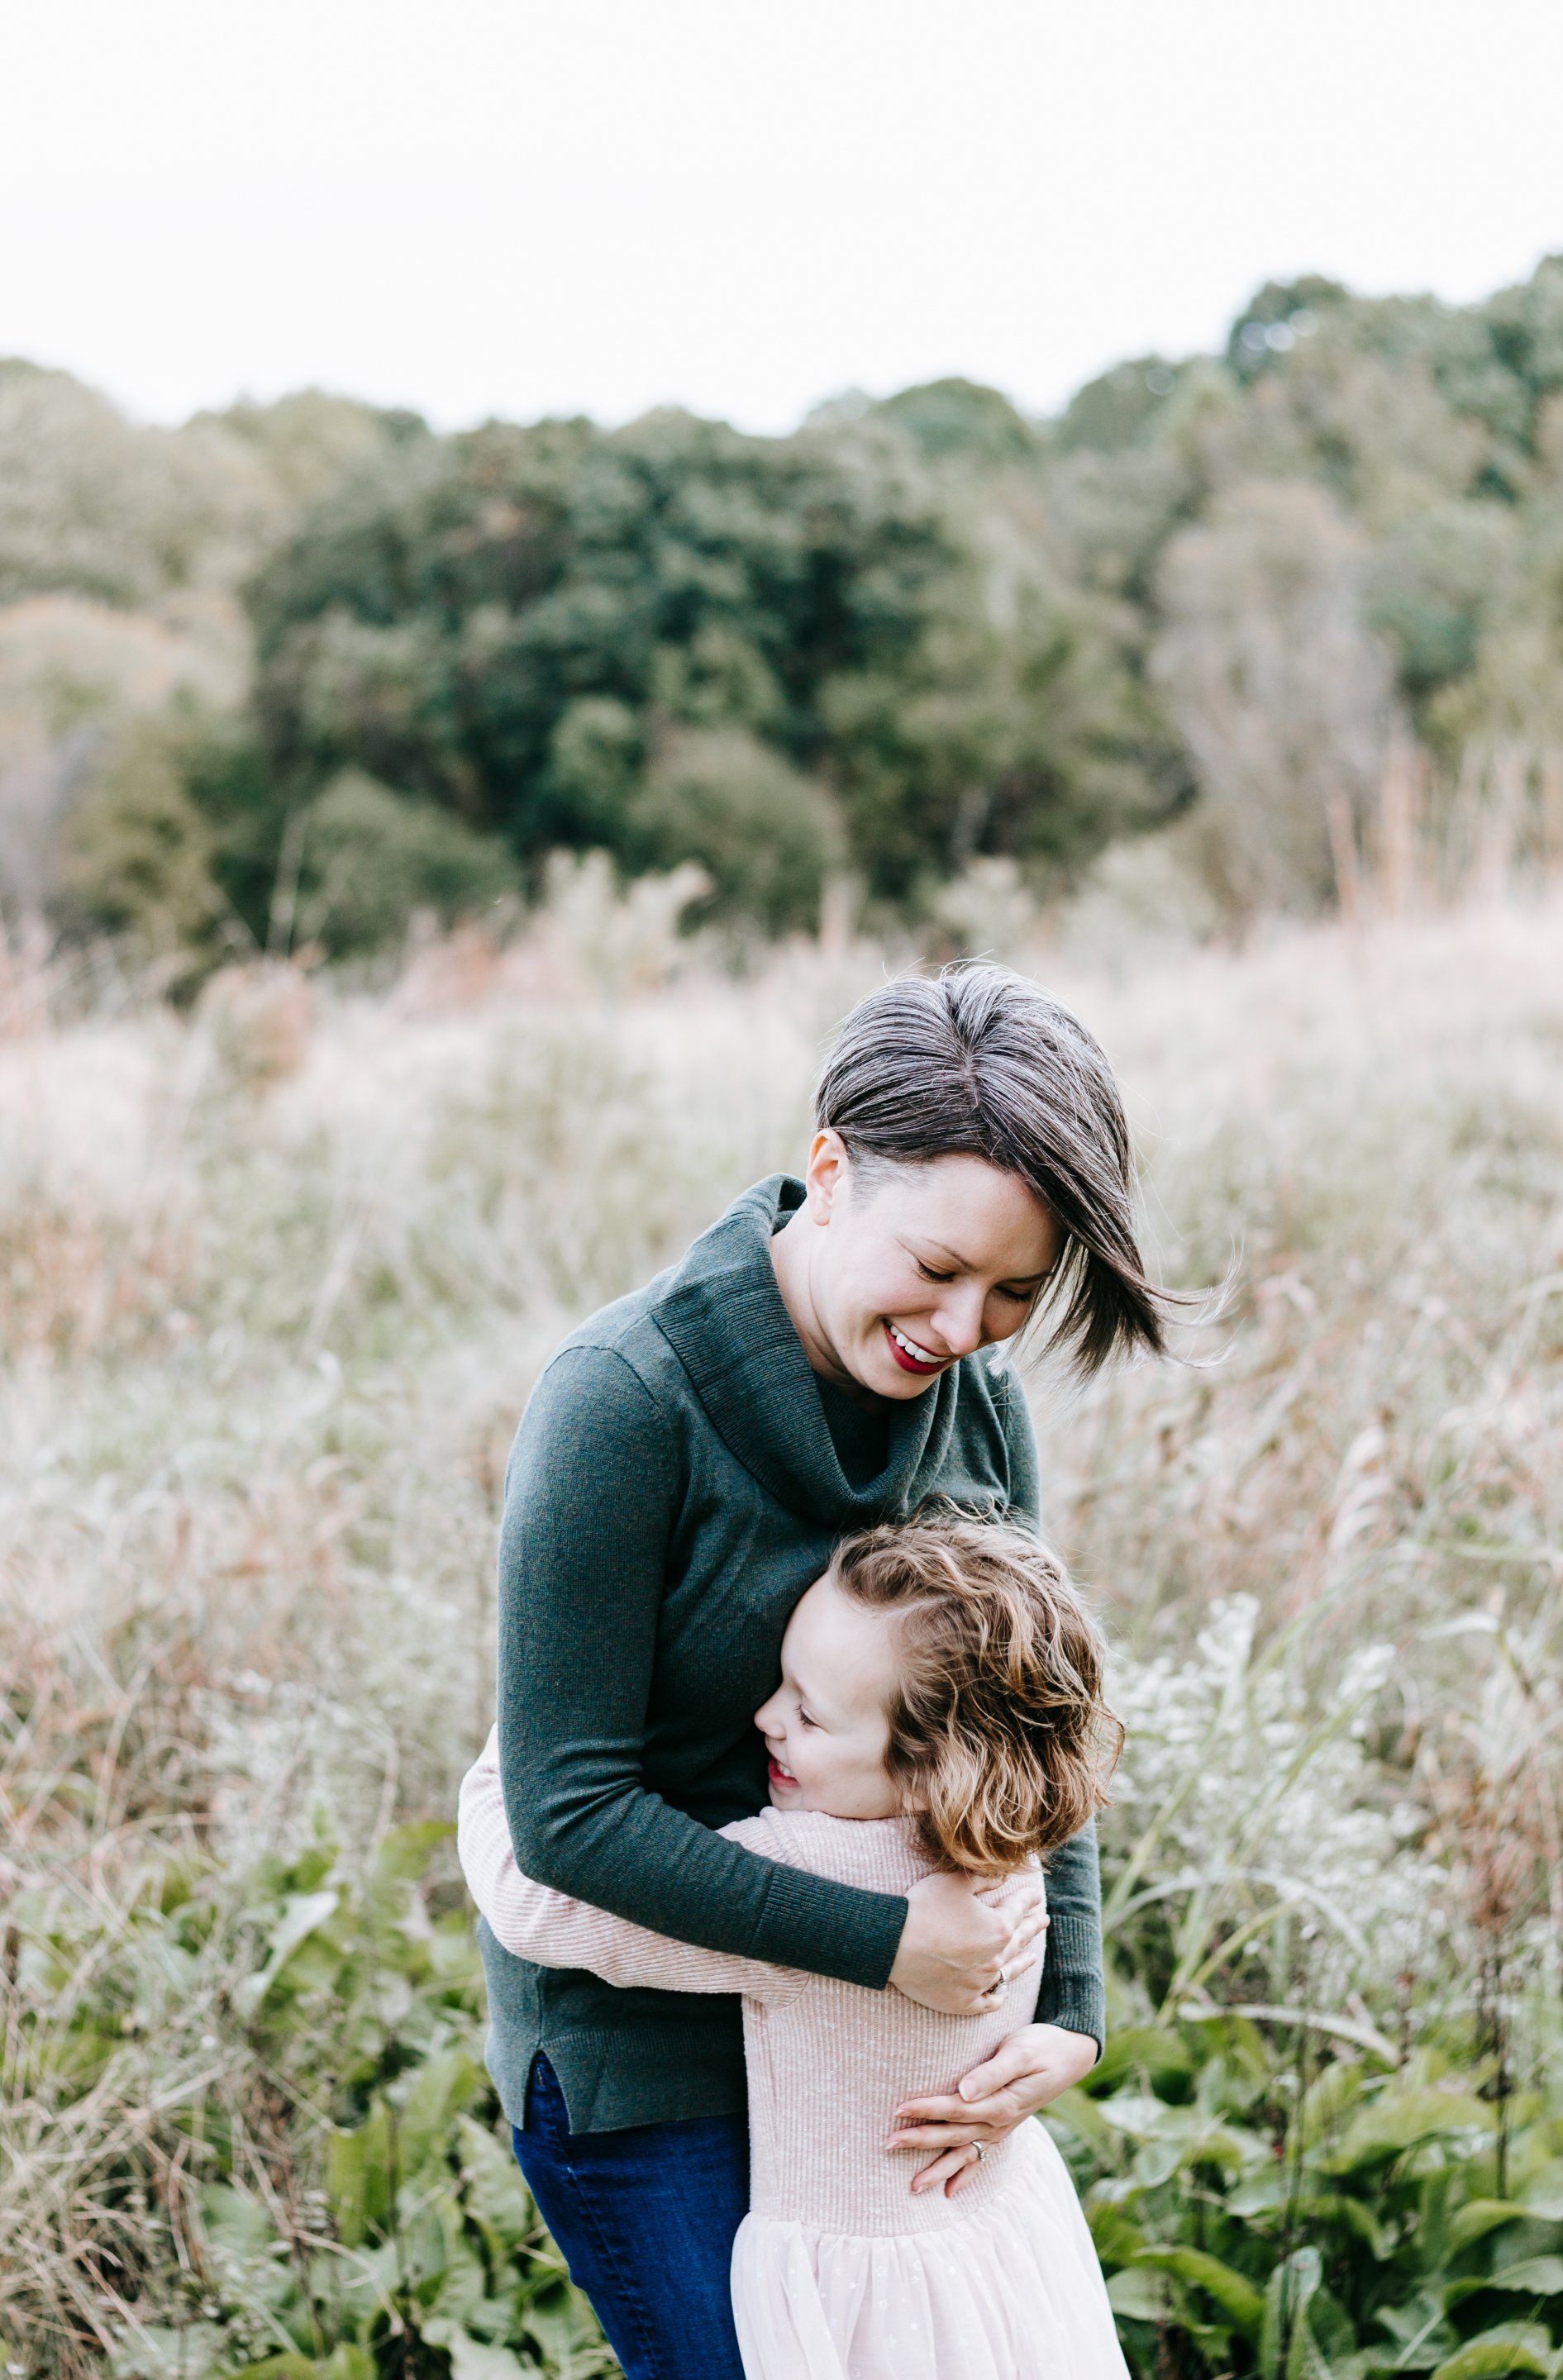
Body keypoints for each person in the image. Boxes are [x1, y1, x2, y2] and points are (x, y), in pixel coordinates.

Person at [479, 964, 1171, 2380]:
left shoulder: (976, 1402)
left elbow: (1031, 1720)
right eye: (937, 1268)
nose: (966, 1328)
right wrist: (895, 1947)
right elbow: (569, 1815)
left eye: (1014, 1292)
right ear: (831, 1171)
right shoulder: (621, 1405)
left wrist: (1070, 2014)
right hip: (650, 2066)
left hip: (887, 2062)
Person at [460, 1513, 1130, 2380]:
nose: (766, 1718)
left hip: (862, 2313)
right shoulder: (1014, 1848)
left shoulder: (814, 1865)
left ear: (929, 1768)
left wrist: (517, 1746)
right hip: (999, 2259)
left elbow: (533, 1902)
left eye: (809, 1716)